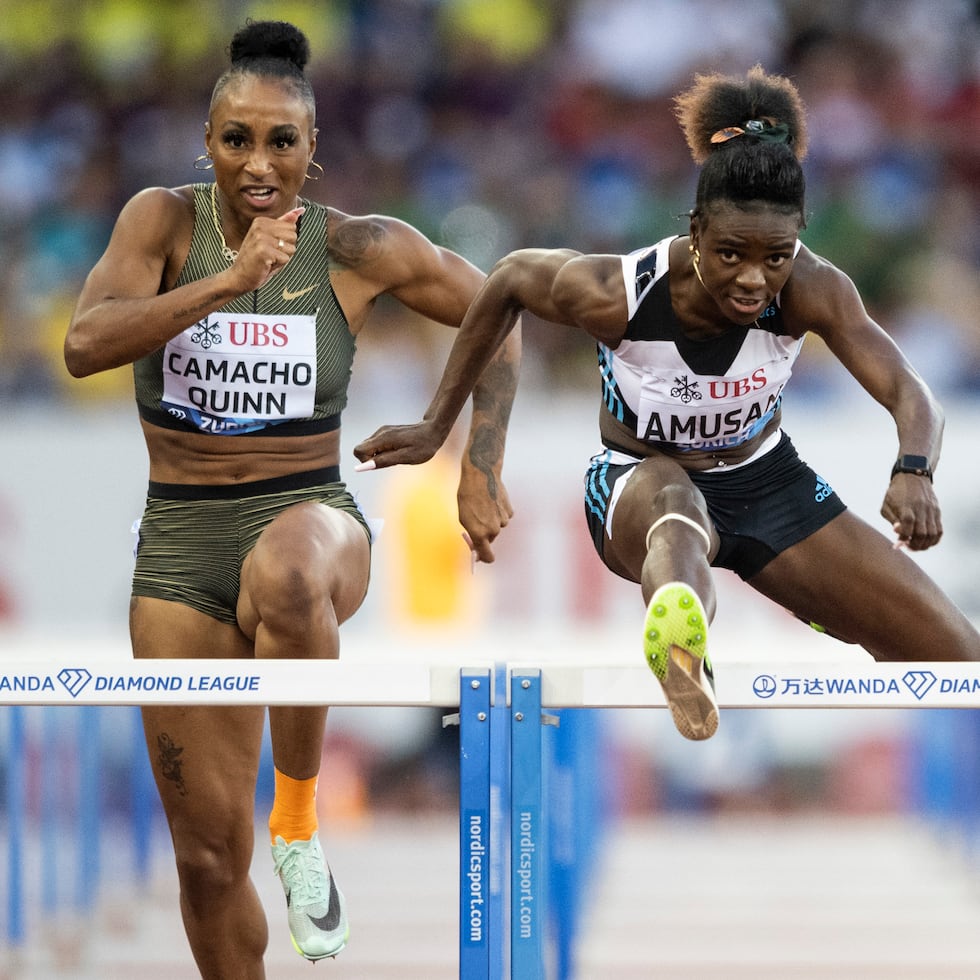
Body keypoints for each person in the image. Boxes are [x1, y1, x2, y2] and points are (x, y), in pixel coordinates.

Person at [64, 20, 519, 978]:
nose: (259, 162)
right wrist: (225, 284)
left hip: (311, 509)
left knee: (289, 570)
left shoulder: (356, 248)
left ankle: (302, 825)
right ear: (208, 143)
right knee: (204, 861)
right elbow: (85, 346)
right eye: (238, 140)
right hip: (181, 539)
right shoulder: (162, 224)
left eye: (282, 142)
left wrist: (471, 453)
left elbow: (500, 311)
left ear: (314, 152)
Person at [353, 64, 980, 742]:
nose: (752, 279)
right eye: (731, 253)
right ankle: (683, 651)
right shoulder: (617, 293)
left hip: (770, 485)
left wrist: (914, 467)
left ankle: (688, 626)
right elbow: (506, 282)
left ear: (797, 239)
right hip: (638, 480)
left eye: (774, 257)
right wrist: (446, 432)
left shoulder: (813, 288)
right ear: (695, 229)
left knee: (961, 661)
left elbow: (912, 392)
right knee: (678, 509)